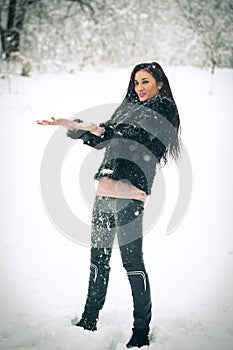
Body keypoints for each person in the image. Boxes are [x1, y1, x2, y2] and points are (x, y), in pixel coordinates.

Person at [37, 62, 181, 348]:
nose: (139, 87)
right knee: (99, 257)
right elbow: (103, 138)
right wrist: (76, 128)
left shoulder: (163, 109)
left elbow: (137, 135)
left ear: (159, 84)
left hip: (131, 193)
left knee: (131, 262)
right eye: (136, 82)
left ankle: (140, 331)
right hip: (105, 188)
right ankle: (89, 319)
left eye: (145, 82)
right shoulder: (127, 108)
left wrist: (106, 129)